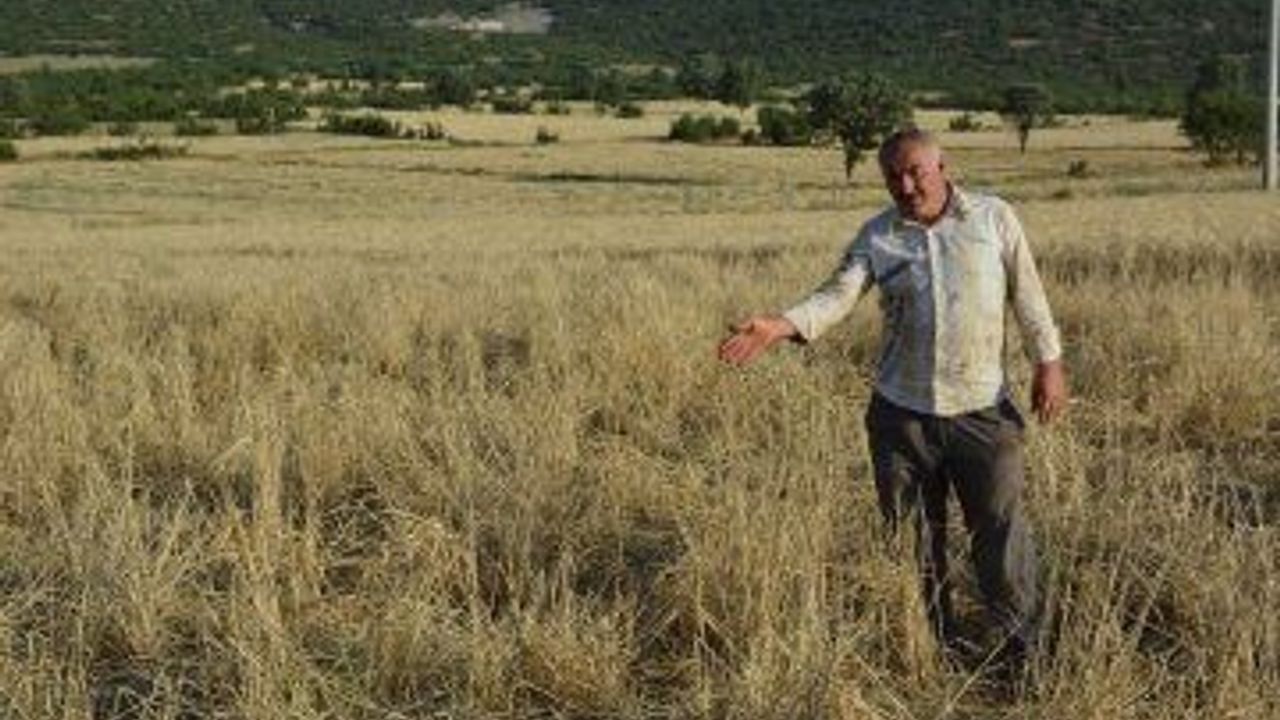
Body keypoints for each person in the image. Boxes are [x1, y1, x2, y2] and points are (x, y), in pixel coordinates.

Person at [717, 128, 1067, 673]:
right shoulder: (878, 235)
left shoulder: (994, 218)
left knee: (1001, 536)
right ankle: (936, 649)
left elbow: (1029, 295)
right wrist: (780, 325)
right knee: (913, 539)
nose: (905, 187)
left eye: (915, 173)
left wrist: (1048, 363)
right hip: (901, 416)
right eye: (893, 177)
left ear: (943, 168)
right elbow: (837, 295)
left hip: (982, 411)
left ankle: (1024, 654)